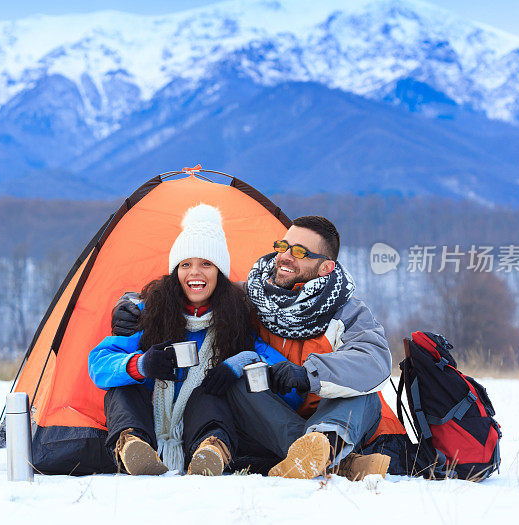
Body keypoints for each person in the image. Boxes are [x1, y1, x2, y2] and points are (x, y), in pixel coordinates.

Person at [112, 216, 406, 480]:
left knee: (367, 392)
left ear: (325, 267)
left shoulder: (347, 311)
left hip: (332, 413)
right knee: (235, 382)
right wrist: (129, 305)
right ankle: (332, 462)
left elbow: (375, 360)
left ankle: (321, 446)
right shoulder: (253, 296)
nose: (285, 257)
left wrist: (307, 375)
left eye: (299, 252)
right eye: (283, 246)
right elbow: (196, 286)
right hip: (272, 417)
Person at [89, 204, 294, 476]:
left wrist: (241, 363)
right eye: (186, 264)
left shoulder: (234, 320)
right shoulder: (148, 313)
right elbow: (99, 363)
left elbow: (290, 391)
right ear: (176, 272)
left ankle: (211, 451)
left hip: (205, 426)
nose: (195, 273)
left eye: (206, 264)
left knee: (210, 393)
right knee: (123, 386)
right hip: (149, 420)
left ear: (219, 273)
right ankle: (132, 446)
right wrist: (141, 365)